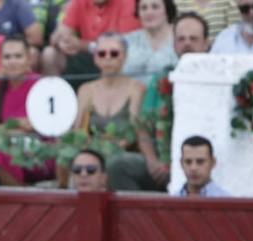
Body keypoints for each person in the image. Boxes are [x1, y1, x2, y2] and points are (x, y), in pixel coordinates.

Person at [70, 31, 152, 190]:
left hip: (124, 152)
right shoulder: (86, 89)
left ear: (125, 57)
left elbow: (136, 129)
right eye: (102, 53)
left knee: (114, 164)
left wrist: (112, 146)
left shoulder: (136, 88)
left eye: (114, 53)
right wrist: (94, 149)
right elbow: (78, 130)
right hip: (92, 151)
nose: (107, 57)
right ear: (95, 58)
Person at [133, 10, 204, 188]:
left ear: (206, 44)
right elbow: (143, 127)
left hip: (202, 164)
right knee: (120, 166)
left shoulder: (218, 79)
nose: (187, 43)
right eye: (181, 39)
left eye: (193, 39)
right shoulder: (161, 78)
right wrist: (152, 161)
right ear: (173, 45)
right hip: (161, 161)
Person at [0, 33, 53, 184]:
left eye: (18, 56)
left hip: (38, 150)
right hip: (5, 143)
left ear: (29, 59)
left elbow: (37, 127)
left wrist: (6, 129)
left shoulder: (42, 85)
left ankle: (20, 198)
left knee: (0, 154)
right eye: (7, 57)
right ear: (1, 61)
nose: (12, 62)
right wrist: (16, 124)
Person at [44, 0, 140, 77]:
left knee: (114, 56)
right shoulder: (78, 2)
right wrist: (63, 41)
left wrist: (80, 45)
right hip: (88, 58)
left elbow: (123, 46)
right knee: (50, 54)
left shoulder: (127, 2)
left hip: (116, 57)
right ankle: (58, 97)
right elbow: (58, 35)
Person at [122, 0, 176, 78]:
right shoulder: (126, 41)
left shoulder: (182, 38)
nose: (149, 12)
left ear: (167, 10)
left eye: (155, 7)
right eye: (144, 8)